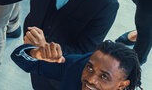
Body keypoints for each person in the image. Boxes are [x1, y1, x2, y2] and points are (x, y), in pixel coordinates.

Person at [11, 40, 142, 90]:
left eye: (104, 76)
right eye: (90, 67)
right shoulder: (77, 66)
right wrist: (36, 53)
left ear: (122, 85)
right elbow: (21, 58)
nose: (90, 79)